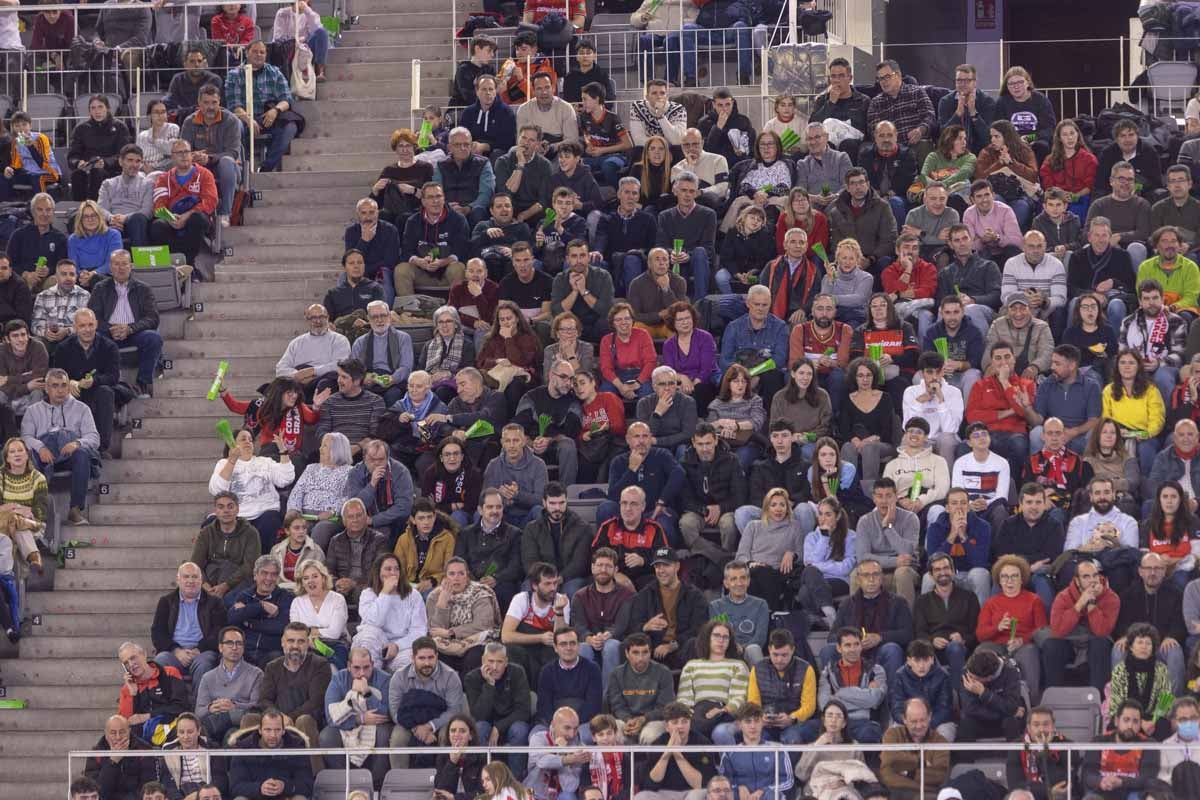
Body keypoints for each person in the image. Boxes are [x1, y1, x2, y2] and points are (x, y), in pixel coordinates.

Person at [20, 367, 98, 525]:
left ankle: (75, 509)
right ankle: (38, 511)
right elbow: (25, 437)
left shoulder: (82, 409)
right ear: (47, 388)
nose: (60, 390)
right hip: (44, 455)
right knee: (30, 455)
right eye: (55, 386)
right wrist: (40, 447)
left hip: (69, 454)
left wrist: (77, 443)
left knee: (82, 453)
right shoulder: (33, 411)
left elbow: (94, 437)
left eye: (64, 385)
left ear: (69, 387)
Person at [86, 249, 163, 400]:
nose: (120, 268)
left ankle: (142, 384)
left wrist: (130, 328)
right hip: (108, 333)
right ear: (110, 267)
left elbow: (152, 318)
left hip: (134, 333)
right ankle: (99, 383)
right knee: (90, 337)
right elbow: (93, 317)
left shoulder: (144, 289)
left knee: (153, 338)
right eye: (116, 264)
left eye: (124, 264)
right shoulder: (100, 288)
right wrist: (110, 328)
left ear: (131, 266)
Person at [318, 645, 395, 785]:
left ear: (372, 664)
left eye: (366, 667)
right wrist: (360, 719)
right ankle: (343, 782)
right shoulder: (338, 679)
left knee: (384, 734)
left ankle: (377, 783)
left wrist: (366, 692)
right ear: (348, 666)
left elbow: (386, 713)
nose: (362, 673)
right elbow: (331, 717)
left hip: (376, 725)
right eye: (357, 668)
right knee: (326, 736)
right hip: (349, 723)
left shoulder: (385, 679)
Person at [798, 627, 886, 743]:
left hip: (862, 722)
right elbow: (824, 705)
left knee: (870, 734)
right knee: (803, 730)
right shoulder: (827, 673)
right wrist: (862, 697)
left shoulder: (876, 670)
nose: (853, 649)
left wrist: (840, 693)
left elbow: (874, 700)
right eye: (848, 645)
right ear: (839, 648)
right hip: (833, 720)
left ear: (861, 646)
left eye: (856, 644)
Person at [225, 40, 301, 174]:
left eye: (262, 52)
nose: (258, 55)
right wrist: (248, 120)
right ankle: (242, 168)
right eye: (254, 51)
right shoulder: (234, 74)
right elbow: (234, 105)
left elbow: (286, 99)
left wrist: (275, 110)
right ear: (247, 53)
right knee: (235, 125)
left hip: (268, 117)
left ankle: (266, 167)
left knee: (290, 127)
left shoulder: (275, 72)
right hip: (244, 119)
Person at [1044, 558, 1120, 692]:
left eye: (1095, 575)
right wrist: (1079, 605)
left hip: (1094, 641)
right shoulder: (1063, 597)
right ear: (1077, 580)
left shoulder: (1111, 598)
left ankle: (1097, 698)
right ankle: (1054, 696)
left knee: (1101, 643)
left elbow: (1101, 632)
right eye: (1086, 577)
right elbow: (1057, 631)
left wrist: (1091, 604)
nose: (1092, 580)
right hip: (1070, 642)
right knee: (1051, 645)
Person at [152, 562, 227, 686]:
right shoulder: (166, 602)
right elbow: (158, 632)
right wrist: (176, 650)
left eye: (195, 577)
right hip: (174, 653)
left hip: (203, 652)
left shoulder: (215, 603)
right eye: (186, 577)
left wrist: (199, 650)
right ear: (178, 580)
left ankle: (200, 704)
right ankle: (168, 704)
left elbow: (219, 631)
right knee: (160, 660)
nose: (190, 581)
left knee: (204, 664)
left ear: (201, 580)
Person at [396, 182, 470, 299]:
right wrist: (420, 261)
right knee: (401, 270)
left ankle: (457, 309)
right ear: (423, 201)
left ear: (444, 198)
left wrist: (442, 262)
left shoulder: (458, 220)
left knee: (458, 268)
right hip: (421, 270)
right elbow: (406, 251)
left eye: (438, 196)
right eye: (430, 197)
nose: (435, 201)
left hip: (447, 270)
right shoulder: (412, 221)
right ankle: (409, 312)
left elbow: (461, 250)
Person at [718, 285, 790, 402]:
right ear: (748, 303)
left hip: (767, 375)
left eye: (764, 305)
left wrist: (758, 376)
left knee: (773, 377)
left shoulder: (780, 327)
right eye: (756, 304)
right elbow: (725, 360)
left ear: (770, 304)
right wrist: (744, 377)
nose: (760, 308)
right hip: (739, 373)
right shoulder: (733, 327)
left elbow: (779, 360)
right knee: (726, 378)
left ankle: (770, 419)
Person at [635, 702, 718, 800]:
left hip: (691, 792)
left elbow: (700, 784)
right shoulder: (657, 744)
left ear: (690, 723)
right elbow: (651, 784)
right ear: (666, 726)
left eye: (684, 721)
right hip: (663, 793)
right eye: (675, 722)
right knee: (641, 797)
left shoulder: (703, 743)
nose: (680, 726)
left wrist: (676, 752)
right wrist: (668, 751)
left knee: (698, 796)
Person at [227, 707, 315, 800]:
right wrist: (259, 788)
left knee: (300, 798)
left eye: (277, 730)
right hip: (255, 797)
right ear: (260, 730)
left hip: (286, 796)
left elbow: (307, 785)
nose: (273, 735)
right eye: (268, 730)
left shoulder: (297, 747)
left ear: (284, 730)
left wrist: (285, 786)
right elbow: (235, 787)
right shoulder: (244, 748)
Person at [194, 625, 262, 743]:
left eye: (239, 643)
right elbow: (199, 711)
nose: (234, 647)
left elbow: (258, 707)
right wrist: (210, 708)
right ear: (220, 647)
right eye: (229, 643)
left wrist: (234, 706)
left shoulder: (256, 674)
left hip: (240, 724)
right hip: (214, 722)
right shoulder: (208, 677)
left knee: (231, 735)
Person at [1082, 699, 1163, 799]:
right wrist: (1101, 781)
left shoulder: (1148, 744)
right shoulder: (1098, 741)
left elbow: (1148, 778)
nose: (1130, 726)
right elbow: (1088, 774)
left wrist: (1121, 782)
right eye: (1126, 720)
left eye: (1135, 721)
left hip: (1133, 792)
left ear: (1140, 724)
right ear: (1116, 721)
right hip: (1102, 791)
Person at [655, 172, 717, 301]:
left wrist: (688, 255)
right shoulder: (664, 216)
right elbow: (660, 245)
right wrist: (672, 253)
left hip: (697, 262)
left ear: (696, 193)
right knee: (660, 255)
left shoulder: (708, 214)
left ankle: (701, 305)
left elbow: (709, 249)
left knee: (700, 252)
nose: (687, 195)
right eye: (683, 190)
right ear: (675, 191)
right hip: (673, 261)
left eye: (691, 191)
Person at [193, 491, 261, 602]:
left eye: (230, 506)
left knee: (229, 599)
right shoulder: (206, 533)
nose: (226, 511)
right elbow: (196, 564)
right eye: (221, 507)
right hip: (210, 581)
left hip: (239, 581)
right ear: (215, 511)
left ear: (237, 509)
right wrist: (206, 587)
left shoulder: (250, 533)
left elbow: (250, 566)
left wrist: (226, 585)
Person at [227, 553, 293, 667]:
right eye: (264, 573)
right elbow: (232, 618)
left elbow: (281, 626)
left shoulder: (286, 597)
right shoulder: (245, 595)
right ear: (255, 575)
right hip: (244, 651)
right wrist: (260, 606)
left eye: (273, 574)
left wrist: (249, 622)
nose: (268, 578)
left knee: (277, 660)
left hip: (270, 652)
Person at [718, 703, 795, 800]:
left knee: (773, 796)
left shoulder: (778, 749)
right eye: (748, 722)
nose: (753, 726)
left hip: (768, 797)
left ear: (762, 723)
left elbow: (788, 780)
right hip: (741, 797)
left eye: (756, 721)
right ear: (739, 725)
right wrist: (737, 788)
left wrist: (764, 791)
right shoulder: (730, 753)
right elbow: (722, 781)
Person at [880, 696, 951, 797]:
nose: (919, 726)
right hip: (894, 792)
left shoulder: (940, 742)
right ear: (904, 719)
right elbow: (889, 762)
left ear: (930, 716)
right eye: (914, 721)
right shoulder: (892, 735)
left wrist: (907, 773)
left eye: (923, 720)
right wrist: (922, 763)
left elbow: (939, 776)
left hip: (926, 795)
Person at [481, 426, 549, 529]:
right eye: (507, 441)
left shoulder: (538, 465)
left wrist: (517, 495)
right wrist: (501, 497)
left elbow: (542, 500)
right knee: (480, 515)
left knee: (539, 511)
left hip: (528, 517)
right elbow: (484, 499)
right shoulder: (493, 465)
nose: (512, 445)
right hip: (502, 517)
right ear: (502, 443)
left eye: (516, 440)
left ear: (524, 441)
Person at [1088, 161, 1153, 267]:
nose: (1126, 183)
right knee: (1087, 247)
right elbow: (1087, 232)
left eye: (1130, 179)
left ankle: (1135, 283)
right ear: (1111, 181)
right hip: (1104, 243)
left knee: (1136, 248)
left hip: (1131, 246)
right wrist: (1106, 240)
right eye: (1121, 179)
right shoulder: (1099, 205)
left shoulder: (1142, 204)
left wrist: (1119, 237)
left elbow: (1144, 232)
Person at [325, 498, 389, 605]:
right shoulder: (336, 541)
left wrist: (354, 584)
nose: (355, 520)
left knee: (364, 594)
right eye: (350, 517)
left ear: (366, 518)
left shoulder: (379, 540)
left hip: (367, 588)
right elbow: (328, 572)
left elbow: (380, 573)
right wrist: (337, 583)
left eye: (359, 515)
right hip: (341, 588)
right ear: (344, 521)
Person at [289, 560, 350, 669]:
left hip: (335, 644)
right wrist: (311, 637)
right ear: (301, 582)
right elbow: (296, 632)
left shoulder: (337, 599)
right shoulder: (297, 602)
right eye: (305, 578)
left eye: (315, 576)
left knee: (333, 666)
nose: (310, 581)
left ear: (323, 578)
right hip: (306, 645)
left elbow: (334, 633)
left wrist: (310, 631)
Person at [957, 647, 1027, 743]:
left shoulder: (1011, 672)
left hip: (1004, 721)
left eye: (974, 678)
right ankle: (965, 758)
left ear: (989, 678)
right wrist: (1006, 711)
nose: (969, 678)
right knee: (966, 723)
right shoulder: (967, 672)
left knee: (1011, 721)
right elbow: (970, 709)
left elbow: (1011, 705)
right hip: (980, 720)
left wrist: (983, 693)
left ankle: (1014, 757)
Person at [68, 95, 130, 201]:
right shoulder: (81, 128)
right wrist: (78, 163)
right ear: (89, 111)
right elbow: (72, 156)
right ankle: (79, 209)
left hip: (111, 169)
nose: (97, 111)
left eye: (100, 107)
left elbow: (123, 155)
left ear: (108, 108)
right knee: (77, 174)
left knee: (97, 172)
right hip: (87, 168)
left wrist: (105, 162)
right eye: (93, 108)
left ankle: (96, 208)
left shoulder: (120, 127)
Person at [83, 715, 159, 800]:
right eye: (113, 733)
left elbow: (148, 788)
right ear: (106, 734)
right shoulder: (96, 753)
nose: (118, 737)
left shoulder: (144, 750)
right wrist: (113, 762)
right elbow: (96, 793)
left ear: (129, 731)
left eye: (122, 732)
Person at [117, 640, 189, 730]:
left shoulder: (169, 673)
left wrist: (148, 716)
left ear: (144, 654)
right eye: (126, 663)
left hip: (170, 729)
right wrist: (132, 694)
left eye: (133, 658)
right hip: (142, 736)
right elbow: (124, 724)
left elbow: (180, 706)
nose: (131, 664)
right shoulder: (127, 688)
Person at [867, 59, 935, 151]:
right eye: (880, 78)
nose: (883, 82)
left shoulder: (917, 92)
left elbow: (930, 116)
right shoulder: (876, 102)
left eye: (887, 77)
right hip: (889, 147)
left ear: (898, 75)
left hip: (915, 144)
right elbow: (873, 129)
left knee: (923, 146)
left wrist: (920, 130)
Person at [96, 145, 154, 249]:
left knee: (138, 219)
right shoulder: (108, 184)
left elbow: (147, 211)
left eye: (138, 161)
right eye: (130, 160)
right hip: (113, 223)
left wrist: (125, 218)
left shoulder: (148, 184)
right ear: (121, 162)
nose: (134, 164)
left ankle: (142, 262)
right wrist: (112, 218)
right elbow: (101, 208)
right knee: (108, 227)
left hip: (136, 224)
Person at [937, 64, 997, 155]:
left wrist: (973, 113)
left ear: (975, 82)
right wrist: (957, 114)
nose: (962, 84)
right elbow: (943, 136)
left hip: (981, 153)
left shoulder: (987, 102)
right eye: (959, 80)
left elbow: (988, 138)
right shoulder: (945, 101)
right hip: (952, 152)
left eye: (967, 81)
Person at [794, 122, 852, 213]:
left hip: (838, 203)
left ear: (826, 137)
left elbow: (848, 185)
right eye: (809, 138)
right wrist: (816, 198)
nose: (813, 142)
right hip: (813, 208)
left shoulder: (841, 157)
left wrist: (836, 196)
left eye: (817, 137)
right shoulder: (802, 164)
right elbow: (800, 192)